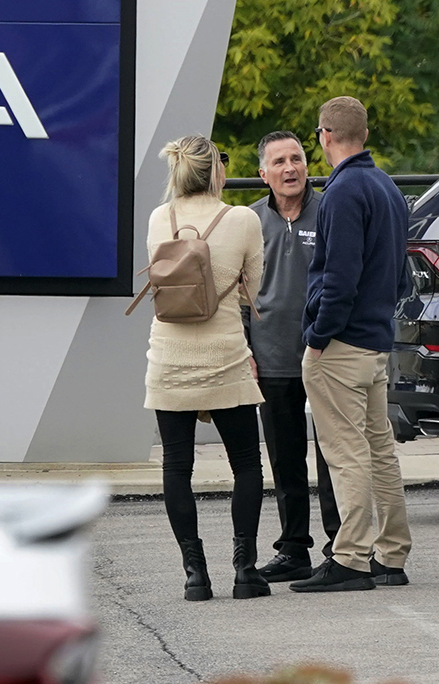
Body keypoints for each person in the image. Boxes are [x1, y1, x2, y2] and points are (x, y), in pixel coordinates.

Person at [291, 96, 413, 593]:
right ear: (362, 133)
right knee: (379, 449)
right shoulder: (386, 186)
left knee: (346, 453)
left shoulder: (342, 192)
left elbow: (338, 278)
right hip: (375, 341)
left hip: (340, 344)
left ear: (324, 135)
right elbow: (401, 275)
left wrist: (319, 337)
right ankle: (391, 553)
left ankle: (351, 558)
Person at [142, 135, 269, 602]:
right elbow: (252, 286)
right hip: (225, 357)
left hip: (168, 359)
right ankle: (245, 570)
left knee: (177, 467)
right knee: (246, 465)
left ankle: (195, 574)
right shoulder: (243, 219)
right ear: (217, 169)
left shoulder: (160, 218)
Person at [247, 130, 341, 583]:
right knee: (285, 458)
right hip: (270, 357)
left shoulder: (330, 211)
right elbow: (237, 292)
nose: (291, 168)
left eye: (297, 159)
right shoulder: (248, 221)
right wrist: (245, 348)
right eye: (280, 162)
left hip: (325, 353)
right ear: (262, 173)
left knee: (332, 454)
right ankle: (293, 549)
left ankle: (340, 546)